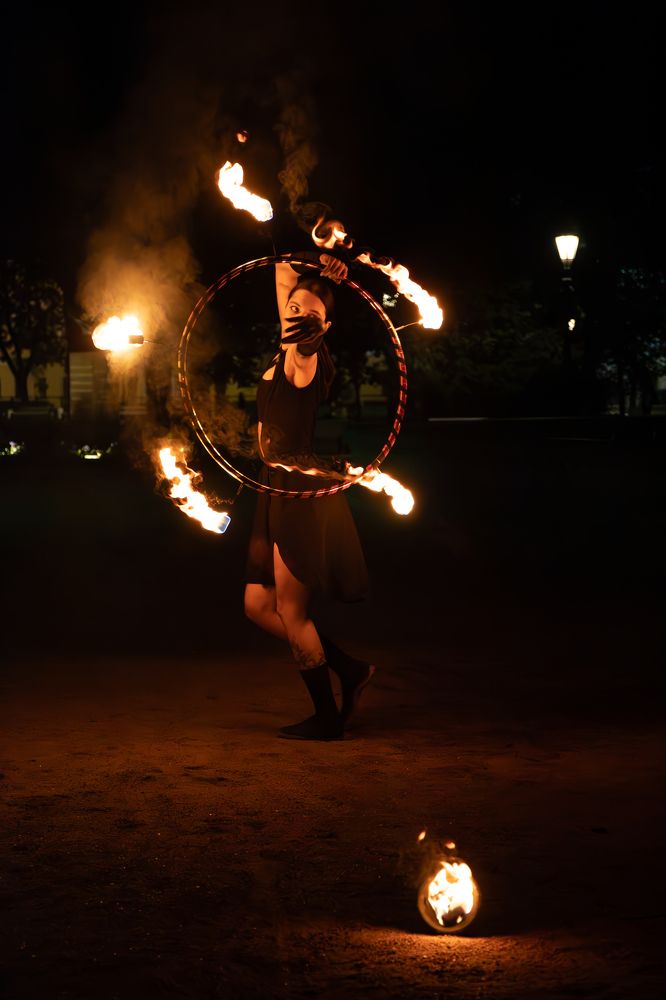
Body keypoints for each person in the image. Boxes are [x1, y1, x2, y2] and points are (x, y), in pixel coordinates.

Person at [244, 251, 375, 741]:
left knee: (292, 612)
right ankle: (347, 666)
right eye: (292, 309)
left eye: (309, 314)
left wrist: (329, 281)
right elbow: (283, 274)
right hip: (271, 486)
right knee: (258, 605)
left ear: (324, 326)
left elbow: (308, 335)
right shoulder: (284, 350)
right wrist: (314, 265)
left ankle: (326, 717)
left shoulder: (303, 358)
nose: (295, 313)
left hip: (299, 490)